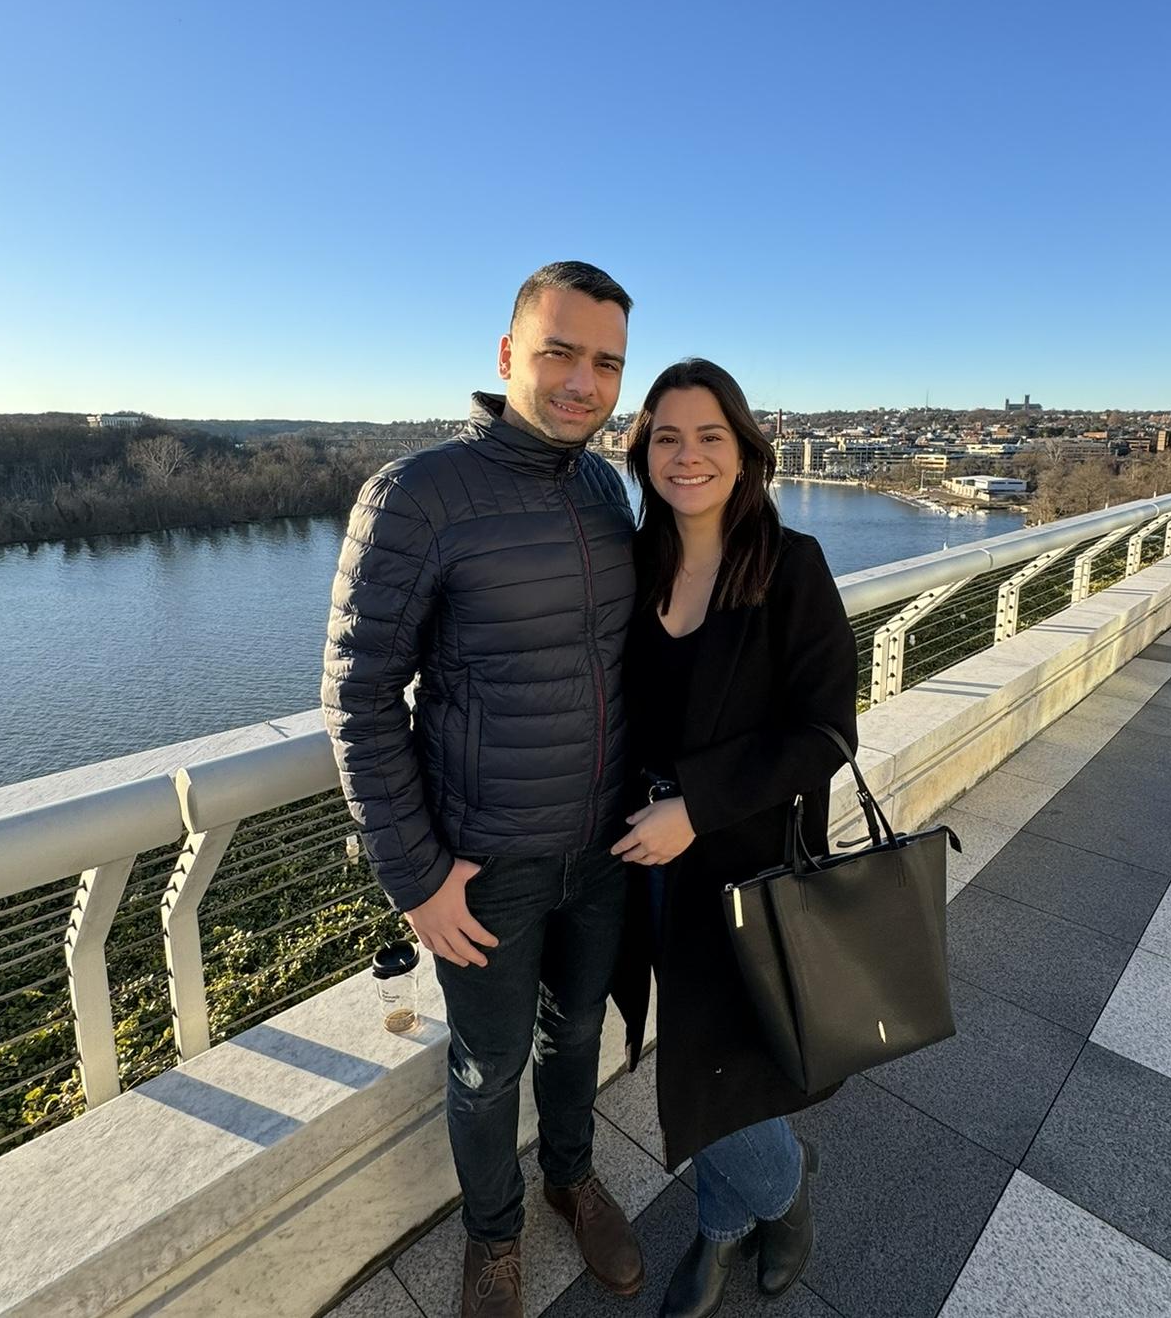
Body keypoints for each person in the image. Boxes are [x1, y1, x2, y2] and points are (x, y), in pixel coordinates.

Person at [322, 261, 645, 1318]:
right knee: (485, 1065)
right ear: (508, 356)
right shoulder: (415, 496)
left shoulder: (604, 486)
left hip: (603, 847)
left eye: (605, 363)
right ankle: (493, 1238)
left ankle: (570, 1175)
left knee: (580, 1033)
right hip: (485, 863)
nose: (581, 383)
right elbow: (359, 699)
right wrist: (415, 879)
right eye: (559, 352)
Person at [609, 358, 859, 1318]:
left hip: (742, 861)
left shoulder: (789, 566)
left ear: (746, 451)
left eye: (710, 436)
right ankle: (738, 1217)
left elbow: (829, 731)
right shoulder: (636, 564)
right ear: (644, 455)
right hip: (646, 865)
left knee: (708, 1062)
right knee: (701, 1052)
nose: (688, 456)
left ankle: (774, 1198)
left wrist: (697, 808)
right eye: (667, 437)